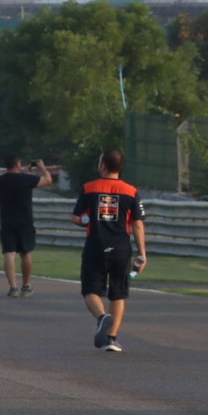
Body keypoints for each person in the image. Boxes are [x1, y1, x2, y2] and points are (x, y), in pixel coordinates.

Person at [72, 149, 147, 353]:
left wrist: (86, 220)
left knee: (90, 291)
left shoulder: (88, 188)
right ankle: (111, 339)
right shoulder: (131, 191)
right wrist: (142, 254)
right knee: (118, 294)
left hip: (95, 246)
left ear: (103, 165)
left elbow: (76, 217)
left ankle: (102, 317)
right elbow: (138, 225)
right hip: (121, 248)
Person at [0, 154, 53, 296]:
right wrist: (42, 168)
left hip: (7, 221)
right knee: (25, 252)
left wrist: (26, 174)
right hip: (25, 221)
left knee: (9, 253)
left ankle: (13, 288)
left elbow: (16, 183)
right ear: (18, 165)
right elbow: (48, 180)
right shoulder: (26, 180)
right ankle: (26, 286)